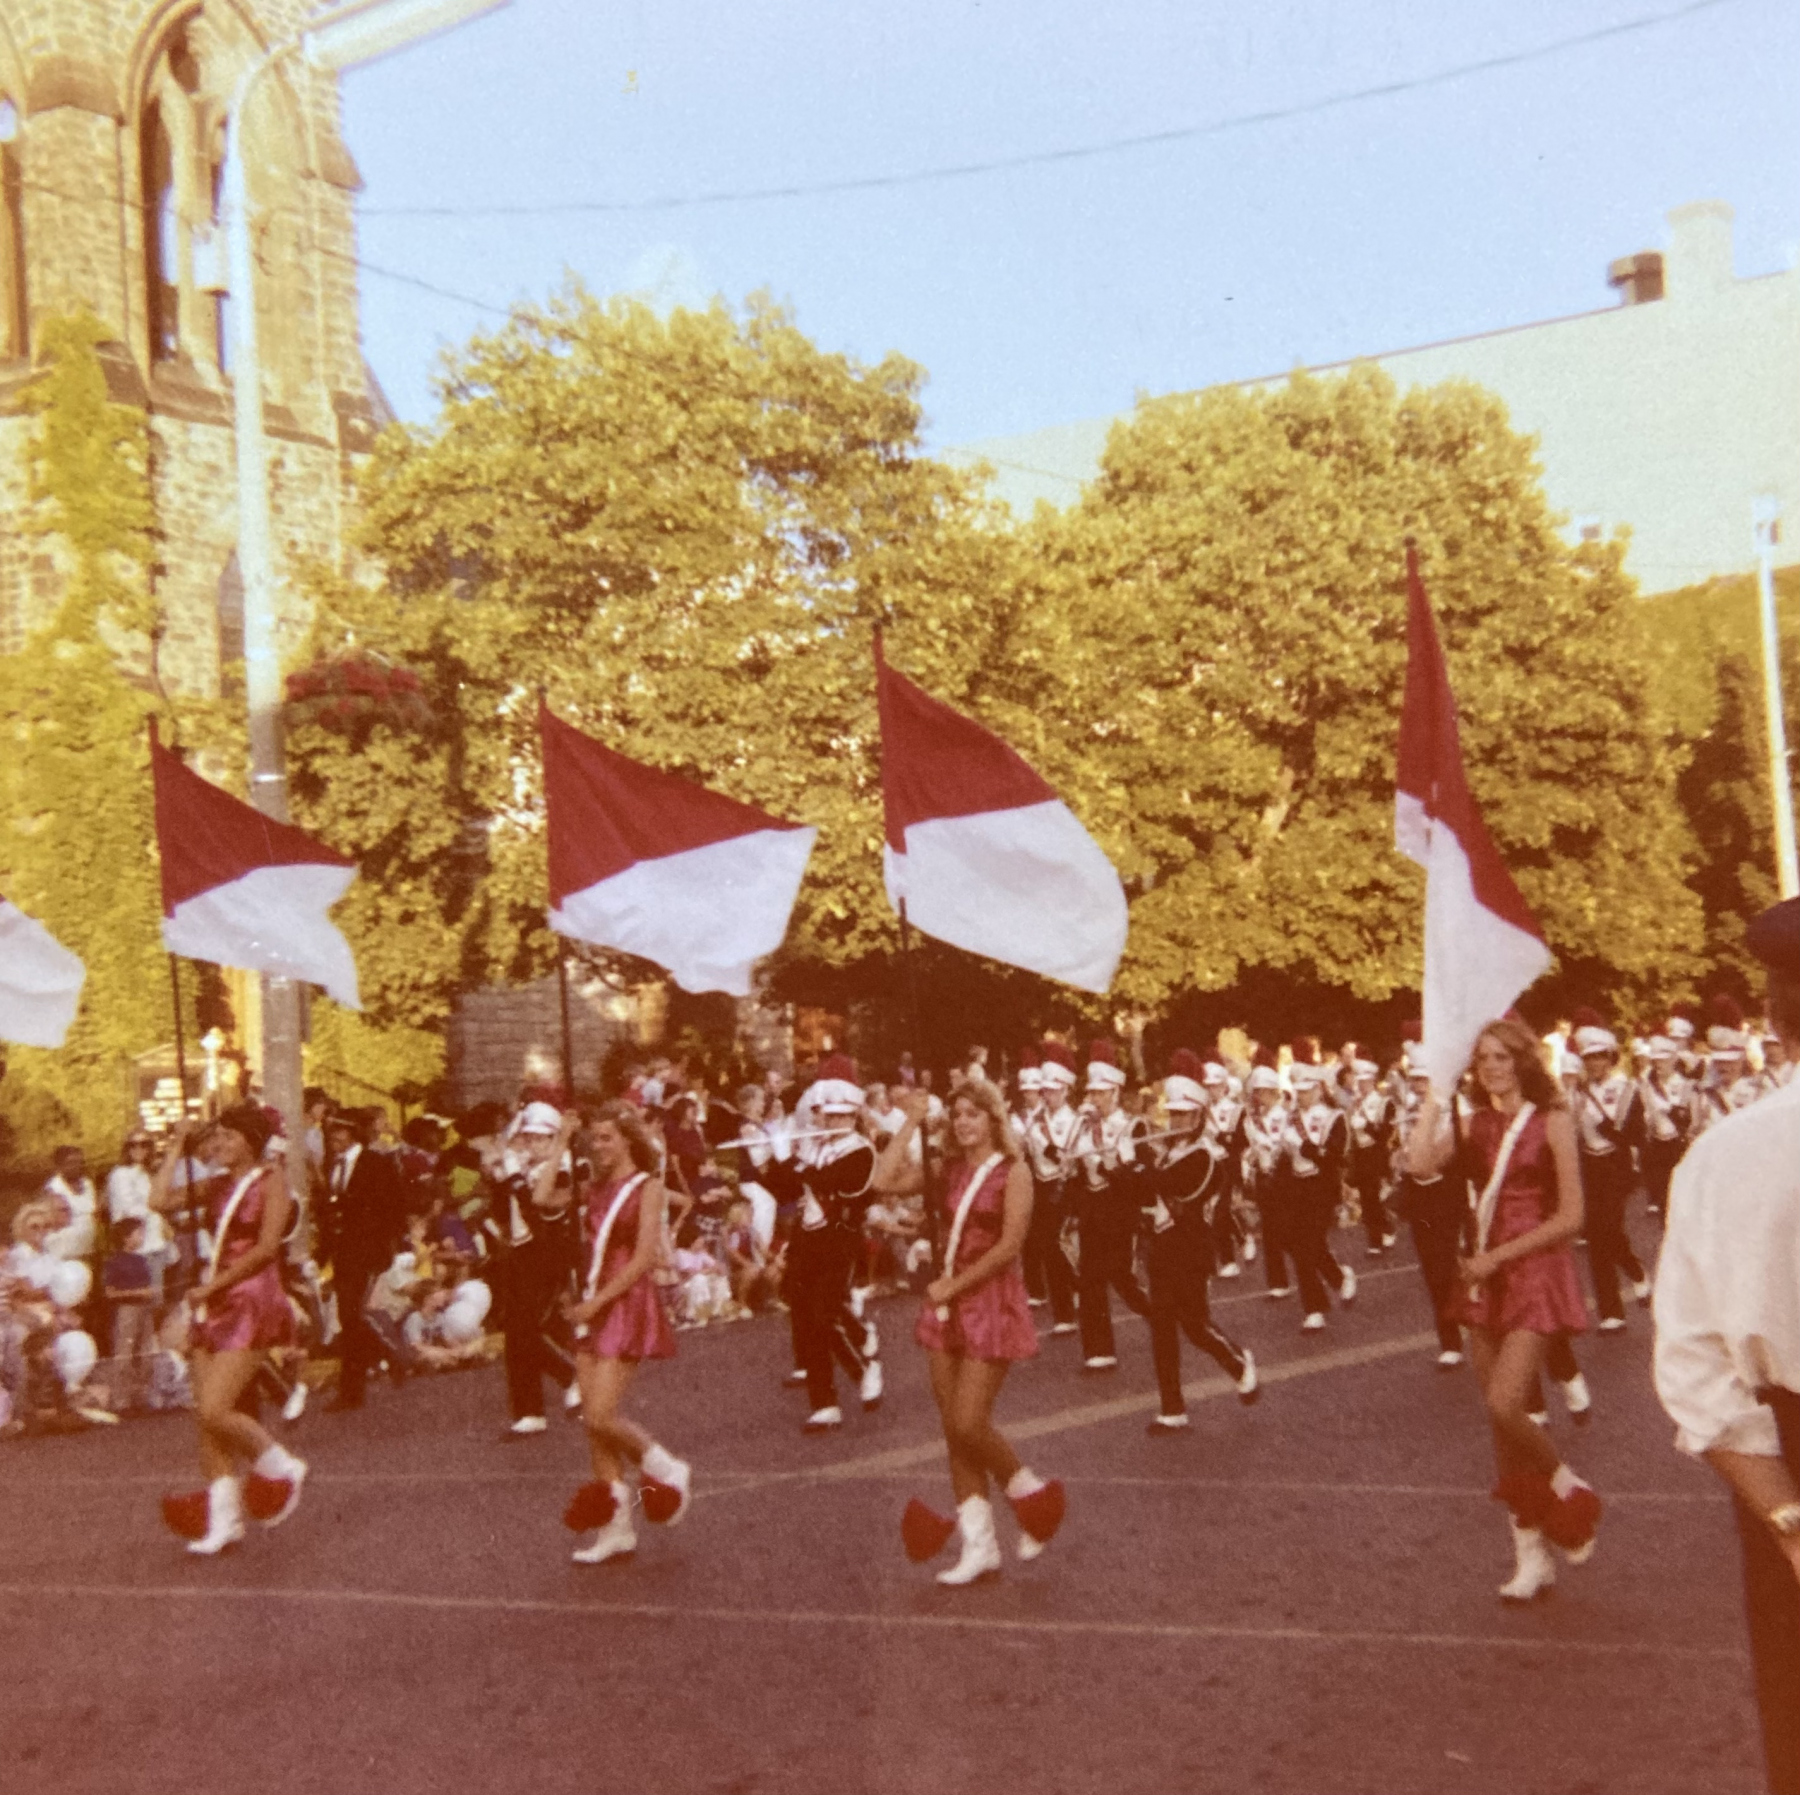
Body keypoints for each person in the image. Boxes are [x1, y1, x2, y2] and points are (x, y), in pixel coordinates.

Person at [1653, 895, 1800, 1795]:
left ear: (1776, 1018)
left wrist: (1788, 1519)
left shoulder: (1725, 1155)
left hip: (1784, 1457)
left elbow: (1694, 1368)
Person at [1405, 1018, 1602, 1603]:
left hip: (1534, 1269)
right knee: (1501, 1430)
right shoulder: (1474, 1124)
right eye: (1482, 1058)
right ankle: (1531, 1555)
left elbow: (1572, 1216)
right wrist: (1435, 1097)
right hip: (1485, 1276)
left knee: (1505, 1402)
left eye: (1502, 1056)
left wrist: (1500, 1257)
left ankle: (1568, 1487)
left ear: (1523, 1061)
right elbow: (1419, 1165)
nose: (1491, 1067)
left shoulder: (1552, 1119)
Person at [876, 1081, 1065, 1585]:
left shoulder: (1014, 1171)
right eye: (957, 1113)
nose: (963, 1122)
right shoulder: (947, 1168)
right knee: (953, 1430)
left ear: (992, 1119)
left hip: (989, 1302)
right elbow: (882, 1180)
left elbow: (1009, 1246)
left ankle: (1031, 1496)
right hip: (948, 1305)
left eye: (973, 1114)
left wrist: (952, 1285)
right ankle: (980, 1547)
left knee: (968, 1421)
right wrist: (911, 1120)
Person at [152, 1105, 306, 1555]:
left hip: (252, 1299)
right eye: (215, 1137)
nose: (218, 1144)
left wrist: (211, 1287)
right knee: (205, 1419)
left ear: (250, 1141)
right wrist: (177, 1145)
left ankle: (280, 1464)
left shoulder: (271, 1180)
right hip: (215, 1301)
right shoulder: (217, 1184)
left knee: (216, 1407)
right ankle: (225, 1521)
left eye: (228, 1137)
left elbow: (266, 1249)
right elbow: (158, 1201)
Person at [560, 1103, 691, 1566]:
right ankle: (616, 1531)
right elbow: (540, 1197)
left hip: (624, 1302)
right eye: (593, 1139)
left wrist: (598, 1302)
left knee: (600, 1414)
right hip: (593, 1301)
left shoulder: (648, 1186)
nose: (598, 1146)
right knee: (592, 1428)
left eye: (607, 1138)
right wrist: (560, 1140)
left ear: (628, 1140)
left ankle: (665, 1466)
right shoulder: (592, 1187)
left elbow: (642, 1258)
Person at [759, 1056, 882, 1431]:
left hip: (840, 1240)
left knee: (824, 1315)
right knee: (806, 1319)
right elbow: (782, 1187)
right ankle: (825, 1403)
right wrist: (777, 1157)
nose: (832, 1123)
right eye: (828, 1117)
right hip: (806, 1239)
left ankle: (864, 1364)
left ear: (853, 1116)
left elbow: (834, 1182)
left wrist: (792, 1160)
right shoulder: (812, 1148)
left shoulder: (860, 1151)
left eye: (841, 1117)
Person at [1140, 1051, 1259, 1434]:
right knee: (1161, 1327)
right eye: (1172, 1114)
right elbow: (1144, 1192)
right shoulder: (1170, 1151)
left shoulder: (1204, 1156)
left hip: (1191, 1252)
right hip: (1163, 1252)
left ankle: (1237, 1362)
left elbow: (1172, 1187)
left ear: (1198, 1116)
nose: (1175, 1121)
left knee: (1194, 1325)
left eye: (1184, 1115)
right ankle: (1172, 1408)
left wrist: (1135, 1164)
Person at [491, 1100, 582, 1438]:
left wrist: (515, 1177)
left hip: (548, 1253)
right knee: (515, 1332)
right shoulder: (529, 1165)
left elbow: (539, 1209)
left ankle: (571, 1375)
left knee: (528, 1328)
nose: (532, 1143)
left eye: (540, 1137)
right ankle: (529, 1411)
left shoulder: (563, 1168)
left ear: (555, 1137)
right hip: (522, 1251)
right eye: (528, 1137)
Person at [317, 1107, 407, 1411]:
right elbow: (330, 1214)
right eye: (331, 1132)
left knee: (354, 1313)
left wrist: (387, 1246)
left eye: (340, 1131)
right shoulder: (333, 1166)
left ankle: (357, 1384)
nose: (334, 1137)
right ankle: (381, 1359)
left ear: (354, 1133)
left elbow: (394, 1206)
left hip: (368, 1252)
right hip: (343, 1253)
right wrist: (321, 1255)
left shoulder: (375, 1163)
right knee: (348, 1317)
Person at [1069, 1039, 1150, 1372]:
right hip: (1092, 1210)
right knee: (1090, 1280)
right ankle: (1099, 1351)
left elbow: (1140, 1177)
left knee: (1121, 1278)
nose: (1095, 1099)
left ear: (1116, 1092)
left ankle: (1159, 1315)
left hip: (1119, 1212)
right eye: (1092, 1093)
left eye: (1101, 1093)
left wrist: (1111, 1166)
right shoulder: (1084, 1128)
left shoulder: (1133, 1127)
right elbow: (1068, 1164)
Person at [1567, 1009, 1650, 1332]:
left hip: (1616, 1166)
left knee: (1609, 1228)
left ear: (1611, 1057)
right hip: (1589, 1166)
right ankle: (1610, 1311)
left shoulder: (1626, 1088)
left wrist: (1601, 1123)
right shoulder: (1577, 1092)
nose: (1594, 1063)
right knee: (1596, 1237)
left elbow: (1633, 1133)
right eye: (1589, 1058)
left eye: (1600, 1057)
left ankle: (1635, 1270)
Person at [1278, 1062, 1357, 1332]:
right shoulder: (1289, 1118)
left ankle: (1314, 1308)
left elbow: (1337, 1155)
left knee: (1307, 1245)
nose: (1300, 1096)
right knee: (1301, 1243)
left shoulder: (1334, 1117)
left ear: (1318, 1089)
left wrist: (1305, 1148)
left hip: (1322, 1188)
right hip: (1295, 1187)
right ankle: (1337, 1278)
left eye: (1306, 1090)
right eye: (1298, 1091)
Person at [1020, 1044, 1081, 1335]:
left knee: (1059, 1246)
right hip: (1042, 1187)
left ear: (1066, 1090)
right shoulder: (1035, 1119)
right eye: (1045, 1091)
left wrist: (1044, 1142)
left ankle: (1069, 1304)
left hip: (1065, 1187)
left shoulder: (1075, 1121)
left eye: (1054, 1091)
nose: (1048, 1096)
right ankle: (1067, 1304)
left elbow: (1064, 1157)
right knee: (1047, 1247)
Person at [102, 1217, 157, 1413]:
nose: (142, 1237)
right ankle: (121, 1400)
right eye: (138, 1233)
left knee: (145, 1352)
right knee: (124, 1353)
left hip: (144, 1308)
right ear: (125, 1237)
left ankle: (142, 1397)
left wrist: (148, 1294)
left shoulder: (141, 1260)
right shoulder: (115, 1262)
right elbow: (110, 1292)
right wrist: (136, 1293)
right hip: (126, 1309)